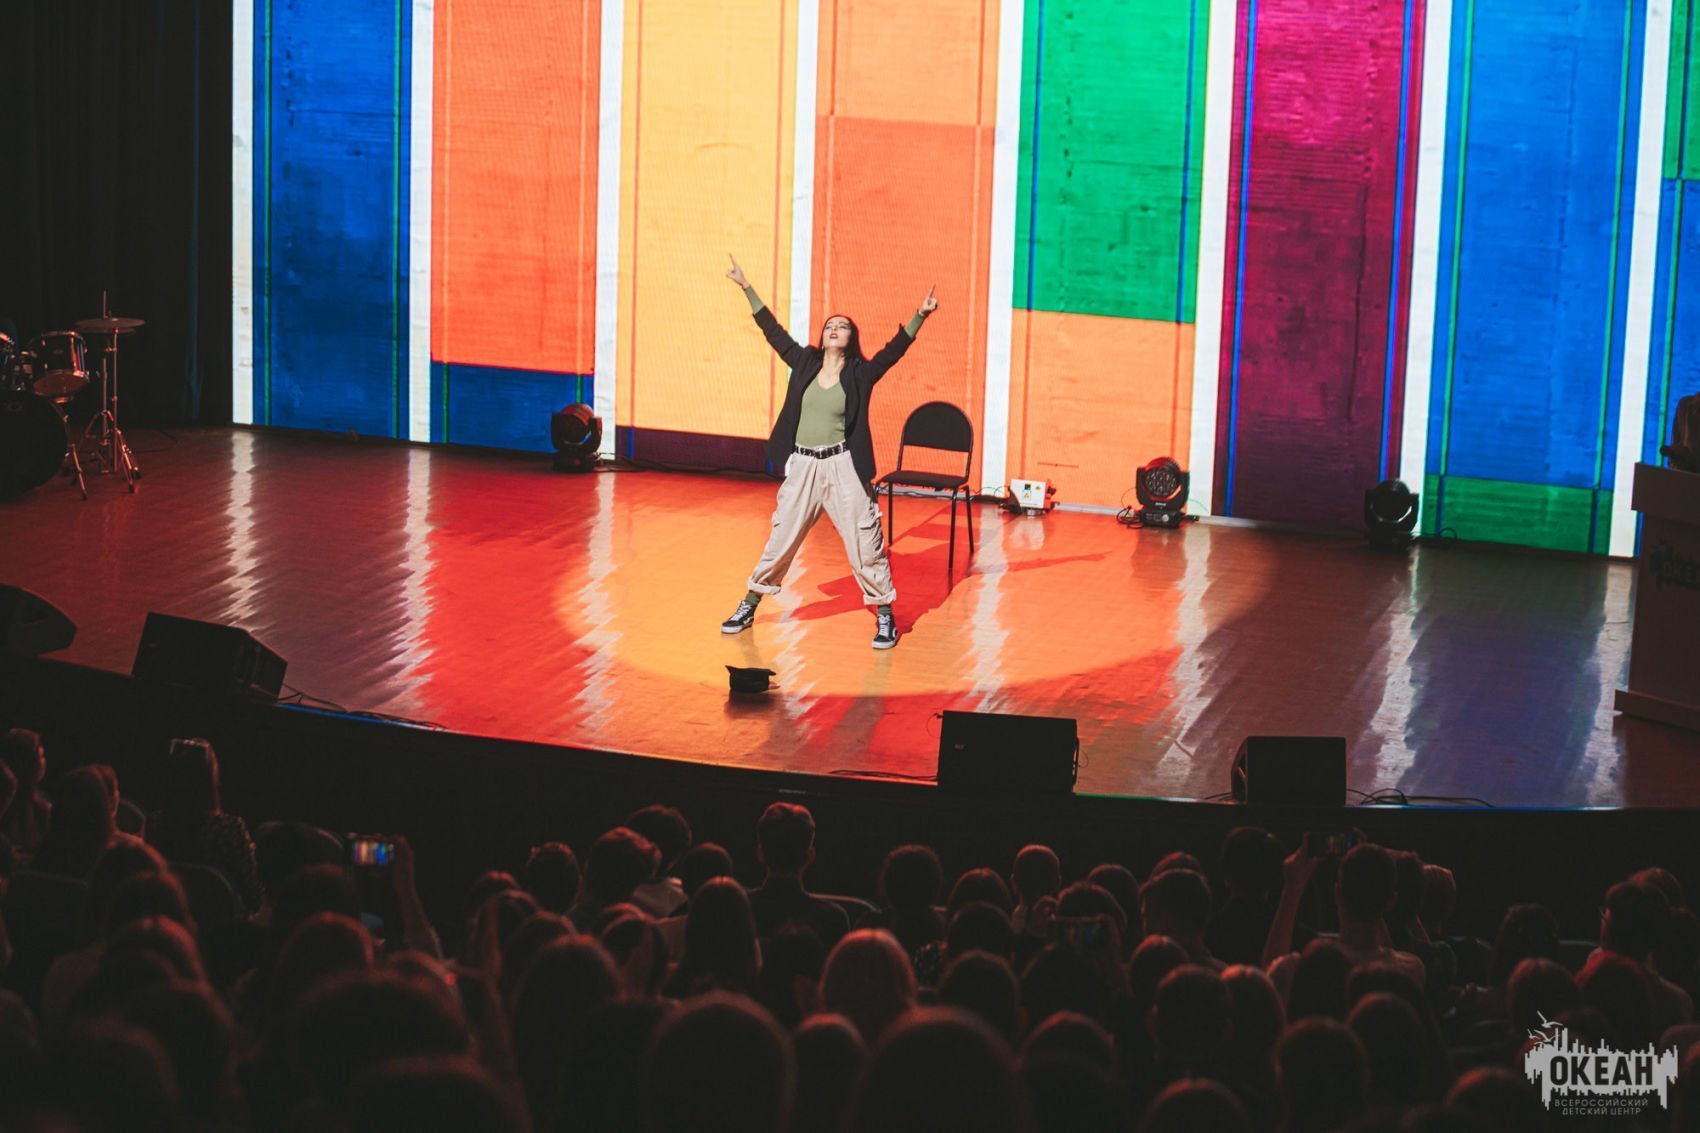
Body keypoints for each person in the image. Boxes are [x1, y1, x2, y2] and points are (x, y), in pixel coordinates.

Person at [719, 254, 938, 649]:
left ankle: (885, 616)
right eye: (830, 326)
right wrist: (746, 286)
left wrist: (919, 316)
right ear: (822, 337)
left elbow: (893, 351)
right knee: (781, 540)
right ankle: (749, 604)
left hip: (843, 466)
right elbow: (773, 332)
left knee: (865, 542)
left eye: (843, 326)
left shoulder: (860, 374)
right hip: (804, 465)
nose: (835, 329)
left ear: (851, 338)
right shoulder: (803, 361)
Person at [145, 738, 263, 914]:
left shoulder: (155, 824)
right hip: (222, 927)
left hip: (167, 919)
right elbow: (253, 895)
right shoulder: (229, 829)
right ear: (211, 778)